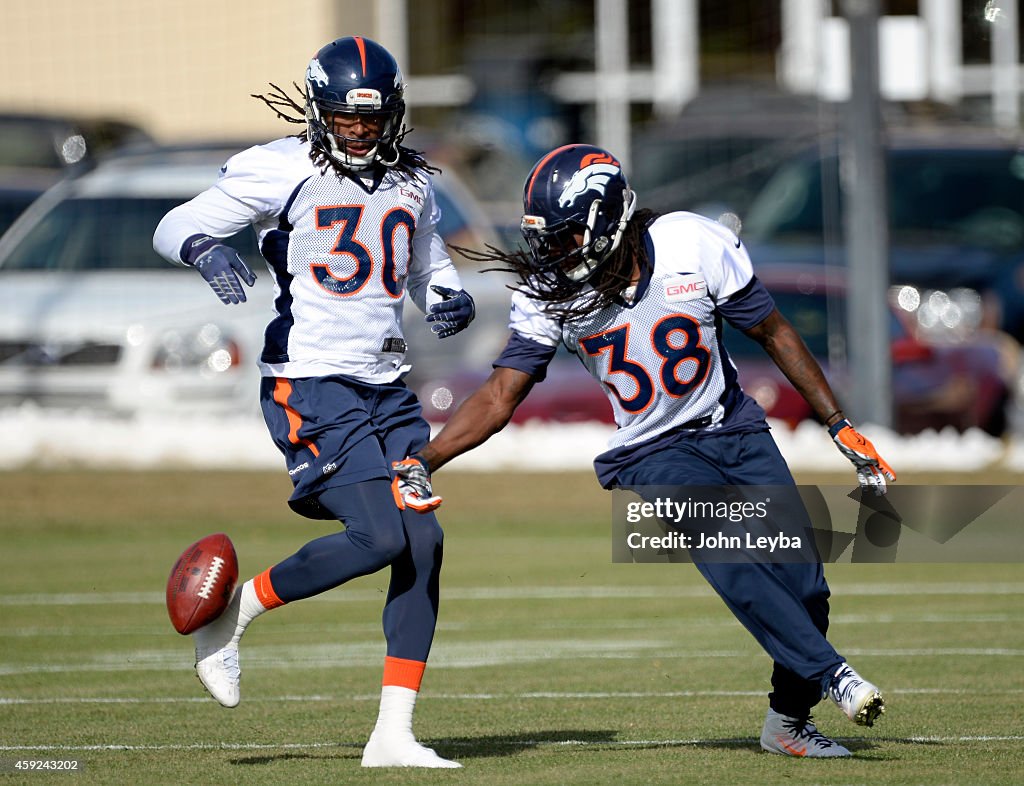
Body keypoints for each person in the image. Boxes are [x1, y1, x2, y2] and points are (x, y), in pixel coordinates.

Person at [393, 143, 897, 758]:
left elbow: (773, 331)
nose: (555, 251)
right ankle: (834, 675)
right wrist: (424, 457)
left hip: (732, 429)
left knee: (807, 589)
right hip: (649, 451)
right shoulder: (552, 291)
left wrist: (839, 425)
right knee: (725, 546)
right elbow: (501, 395)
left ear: (607, 218)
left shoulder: (692, 243)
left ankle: (788, 723)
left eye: (567, 235)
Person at [153, 36, 474, 769]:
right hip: (310, 381)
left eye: (368, 120)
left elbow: (430, 267)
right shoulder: (282, 166)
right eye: (343, 119)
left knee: (423, 544)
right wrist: (204, 249)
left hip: (387, 388)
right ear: (319, 112)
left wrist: (447, 301)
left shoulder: (415, 180)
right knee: (380, 537)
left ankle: (392, 735)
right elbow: (175, 222)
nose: (357, 132)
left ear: (392, 113)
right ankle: (236, 617)